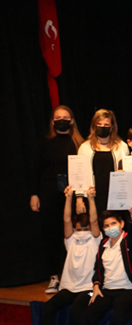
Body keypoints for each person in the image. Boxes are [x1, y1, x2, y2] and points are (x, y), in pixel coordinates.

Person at [30, 105, 85, 294]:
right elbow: (35, 170)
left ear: (72, 120)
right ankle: (54, 277)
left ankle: (76, 276)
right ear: (53, 121)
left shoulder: (80, 144)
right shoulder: (44, 142)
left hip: (74, 194)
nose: (62, 120)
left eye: (65, 117)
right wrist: (34, 194)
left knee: (75, 234)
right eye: (58, 118)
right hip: (49, 193)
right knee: (52, 235)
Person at [73, 208, 132, 325]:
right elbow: (98, 269)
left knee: (118, 318)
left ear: (121, 224)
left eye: (113, 223)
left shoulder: (129, 242)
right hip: (105, 291)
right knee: (86, 317)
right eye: (106, 225)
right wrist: (96, 286)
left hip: (128, 291)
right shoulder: (103, 244)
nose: (110, 227)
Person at [41, 186, 101, 325]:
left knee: (76, 311)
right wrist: (68, 198)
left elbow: (94, 220)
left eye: (85, 229)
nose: (82, 232)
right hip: (69, 288)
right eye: (79, 229)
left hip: (88, 289)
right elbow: (66, 220)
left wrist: (91, 199)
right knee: (48, 308)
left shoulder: (95, 240)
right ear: (74, 229)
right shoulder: (71, 240)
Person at [77, 109, 130, 216]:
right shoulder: (85, 147)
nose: (102, 127)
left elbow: (128, 172)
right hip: (93, 196)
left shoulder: (122, 146)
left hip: (116, 196)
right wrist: (79, 200)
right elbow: (79, 175)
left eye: (106, 125)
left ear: (112, 127)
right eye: (99, 124)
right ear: (94, 126)